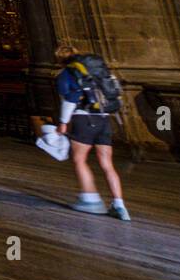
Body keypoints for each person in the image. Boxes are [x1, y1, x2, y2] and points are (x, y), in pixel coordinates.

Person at [54, 43, 130, 221]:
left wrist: (63, 123)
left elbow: (71, 99)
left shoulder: (68, 74)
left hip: (84, 119)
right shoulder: (95, 71)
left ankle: (90, 199)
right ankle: (119, 204)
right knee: (107, 164)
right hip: (104, 118)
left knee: (79, 159)